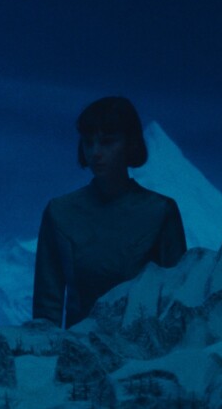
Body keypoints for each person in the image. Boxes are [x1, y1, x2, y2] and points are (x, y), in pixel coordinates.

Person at [33, 96, 187, 329]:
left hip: (142, 349)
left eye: (107, 142)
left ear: (130, 144)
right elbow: (46, 313)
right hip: (76, 349)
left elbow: (176, 304)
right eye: (88, 142)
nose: (95, 152)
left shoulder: (160, 212)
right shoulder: (59, 213)